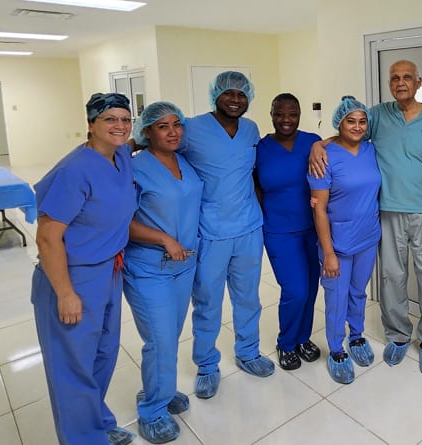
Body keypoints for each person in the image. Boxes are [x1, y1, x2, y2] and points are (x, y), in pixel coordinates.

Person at [309, 60, 422, 376]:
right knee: (391, 279)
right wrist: (318, 143)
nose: (400, 82)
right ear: (389, 83)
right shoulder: (378, 116)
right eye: (394, 78)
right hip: (386, 211)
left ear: (418, 81)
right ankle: (398, 334)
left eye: (407, 77)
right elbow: (347, 132)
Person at [31, 93, 138, 445]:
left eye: (125, 118)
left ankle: (96, 421)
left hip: (109, 270)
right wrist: (65, 293)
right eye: (110, 119)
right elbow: (47, 238)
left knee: (103, 353)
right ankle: (82, 438)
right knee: (73, 365)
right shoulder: (74, 170)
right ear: (91, 125)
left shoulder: (120, 155)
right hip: (72, 276)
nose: (120, 126)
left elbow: (138, 140)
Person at [181, 71, 275, 399]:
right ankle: (206, 364)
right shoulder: (191, 129)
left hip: (249, 227)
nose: (235, 100)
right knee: (207, 300)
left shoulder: (251, 129)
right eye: (229, 94)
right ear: (215, 95)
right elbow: (162, 154)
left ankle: (248, 351)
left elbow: (253, 174)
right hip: (210, 230)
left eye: (241, 94)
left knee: (248, 297)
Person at [123, 101, 202, 444]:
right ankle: (152, 410)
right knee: (159, 338)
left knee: (170, 333)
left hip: (183, 265)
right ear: (147, 131)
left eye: (177, 125)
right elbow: (120, 223)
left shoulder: (184, 161)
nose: (173, 132)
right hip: (148, 267)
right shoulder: (134, 168)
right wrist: (163, 238)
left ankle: (161, 390)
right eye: (163, 126)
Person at [308, 96, 381, 384]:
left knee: (358, 292)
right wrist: (328, 252)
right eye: (350, 120)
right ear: (339, 122)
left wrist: (319, 140)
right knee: (336, 297)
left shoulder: (371, 150)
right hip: (337, 241)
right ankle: (337, 348)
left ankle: (357, 336)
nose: (357, 126)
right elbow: (320, 209)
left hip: (368, 236)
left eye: (362, 121)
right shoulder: (323, 157)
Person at [254, 93, 322, 370]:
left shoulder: (312, 142)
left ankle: (303, 338)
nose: (286, 120)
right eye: (279, 113)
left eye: (292, 113)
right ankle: (286, 343)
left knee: (311, 287)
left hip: (313, 228)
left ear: (300, 114)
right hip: (279, 230)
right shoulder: (260, 148)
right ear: (271, 114)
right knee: (295, 290)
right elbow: (255, 186)